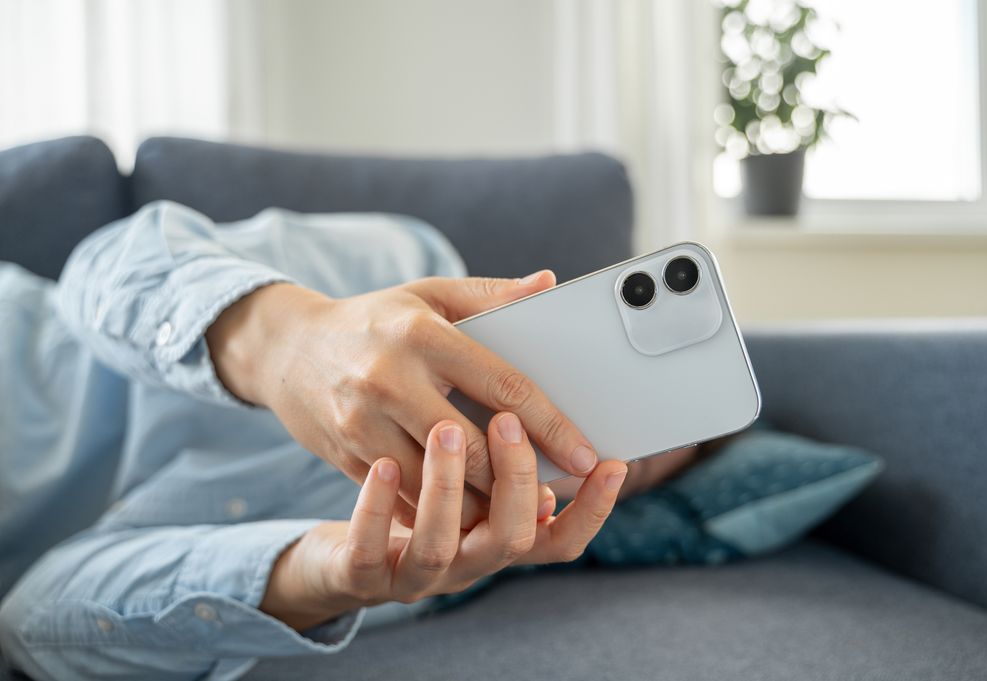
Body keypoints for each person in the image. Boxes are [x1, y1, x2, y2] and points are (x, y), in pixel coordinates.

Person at [0, 202, 694, 680]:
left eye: (629, 461)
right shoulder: (406, 261)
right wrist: (287, 339)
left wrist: (315, 575)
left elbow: (32, 622)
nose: (589, 431)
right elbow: (104, 261)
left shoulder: (419, 561)